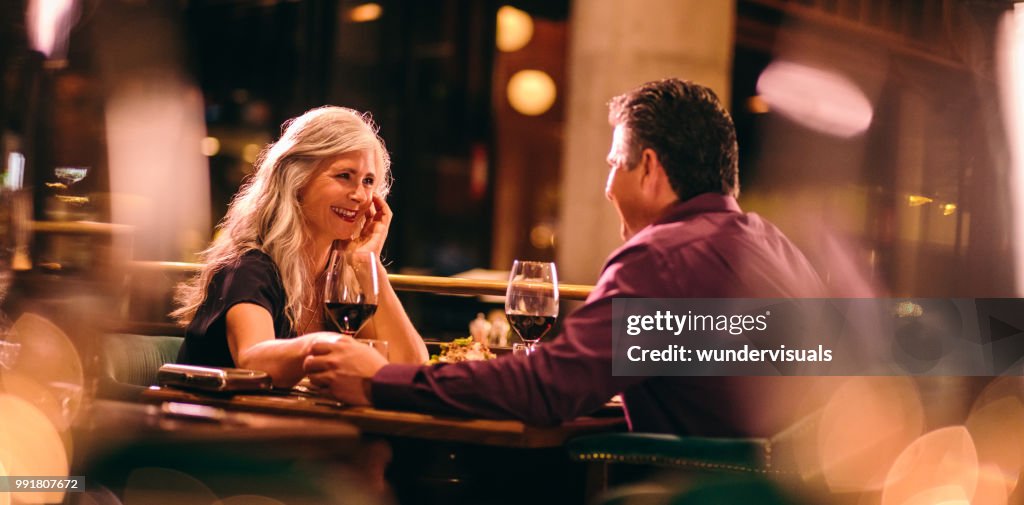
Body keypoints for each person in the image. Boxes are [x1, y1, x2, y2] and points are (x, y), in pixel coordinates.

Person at [302, 79, 825, 435]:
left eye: (613, 164)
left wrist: (378, 381)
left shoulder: (665, 257)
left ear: (649, 168)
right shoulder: (775, 247)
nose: (606, 187)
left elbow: (544, 389)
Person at [173, 106, 428, 386]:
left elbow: (412, 370)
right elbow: (253, 360)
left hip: (297, 426)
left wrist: (368, 264)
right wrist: (326, 345)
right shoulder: (249, 267)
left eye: (368, 181)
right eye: (344, 176)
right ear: (297, 180)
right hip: (221, 424)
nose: (359, 195)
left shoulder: (341, 277)